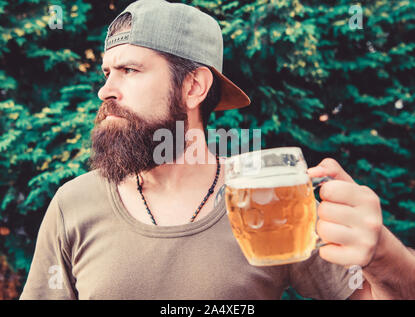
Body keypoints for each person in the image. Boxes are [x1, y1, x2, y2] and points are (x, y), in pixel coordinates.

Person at [20, 0, 415, 300]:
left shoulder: (270, 201)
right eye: (107, 73)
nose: (105, 90)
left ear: (194, 87)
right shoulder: (73, 204)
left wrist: (382, 254)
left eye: (129, 70)